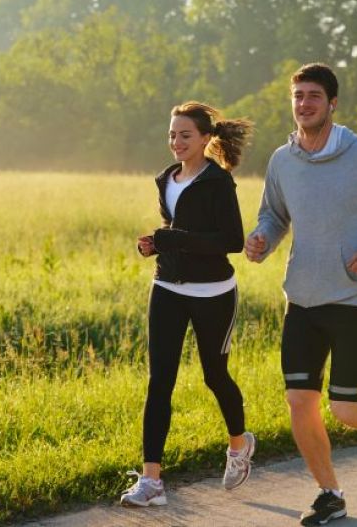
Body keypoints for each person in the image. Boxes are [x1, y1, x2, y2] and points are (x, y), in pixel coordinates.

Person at [244, 63, 357, 525]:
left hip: (353, 299)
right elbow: (274, 216)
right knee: (300, 401)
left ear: (332, 103)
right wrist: (261, 238)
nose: (304, 103)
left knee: (345, 407)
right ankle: (330, 494)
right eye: (298, 95)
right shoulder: (282, 160)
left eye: (314, 96)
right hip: (301, 299)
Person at [121, 101, 255, 507]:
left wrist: (172, 239)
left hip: (213, 293)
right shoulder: (166, 179)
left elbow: (231, 241)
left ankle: (238, 444)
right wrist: (155, 243)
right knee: (159, 381)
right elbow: (175, 229)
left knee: (215, 375)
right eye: (172, 135)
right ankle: (151, 481)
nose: (176, 142)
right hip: (167, 288)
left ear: (204, 139)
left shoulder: (218, 181)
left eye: (185, 135)